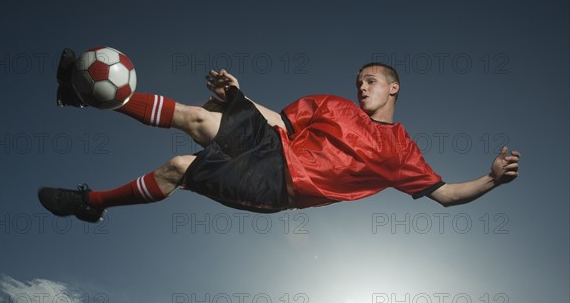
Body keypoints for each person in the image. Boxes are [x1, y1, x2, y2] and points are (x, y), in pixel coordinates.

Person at [38, 48, 521, 223]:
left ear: (393, 87)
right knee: (200, 117)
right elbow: (281, 123)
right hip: (275, 145)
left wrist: (492, 179)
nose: (361, 86)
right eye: (359, 81)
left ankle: (93, 204)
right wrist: (241, 97)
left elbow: (447, 195)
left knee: (180, 168)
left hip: (278, 185)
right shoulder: (332, 106)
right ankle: (90, 94)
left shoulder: (400, 153)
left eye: (370, 81)